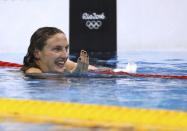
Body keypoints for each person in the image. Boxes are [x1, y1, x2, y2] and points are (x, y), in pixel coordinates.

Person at [21, 27, 97, 74]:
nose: (65, 55)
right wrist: (75, 76)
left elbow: (97, 70)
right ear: (37, 53)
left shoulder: (60, 63)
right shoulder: (33, 72)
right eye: (57, 49)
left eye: (66, 48)